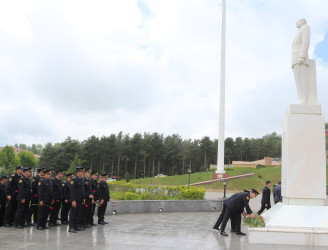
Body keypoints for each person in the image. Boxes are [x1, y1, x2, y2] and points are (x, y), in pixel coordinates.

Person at [69, 167, 84, 233]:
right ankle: (71, 227)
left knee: (78, 214)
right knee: (73, 213)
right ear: (78, 172)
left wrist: (83, 198)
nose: (82, 173)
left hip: (80, 200)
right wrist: (73, 200)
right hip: (75, 200)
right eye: (81, 172)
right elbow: (72, 191)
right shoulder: (73, 179)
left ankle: (76, 226)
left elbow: (82, 191)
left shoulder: (81, 180)